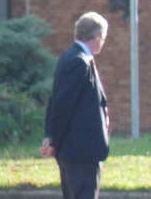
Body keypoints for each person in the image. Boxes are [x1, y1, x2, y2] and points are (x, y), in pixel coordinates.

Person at [41, 12, 110, 199]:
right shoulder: (79, 62)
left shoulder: (69, 57)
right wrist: (53, 139)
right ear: (96, 35)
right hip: (81, 150)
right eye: (103, 37)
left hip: (76, 150)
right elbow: (61, 105)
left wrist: (50, 135)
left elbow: (55, 99)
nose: (103, 41)